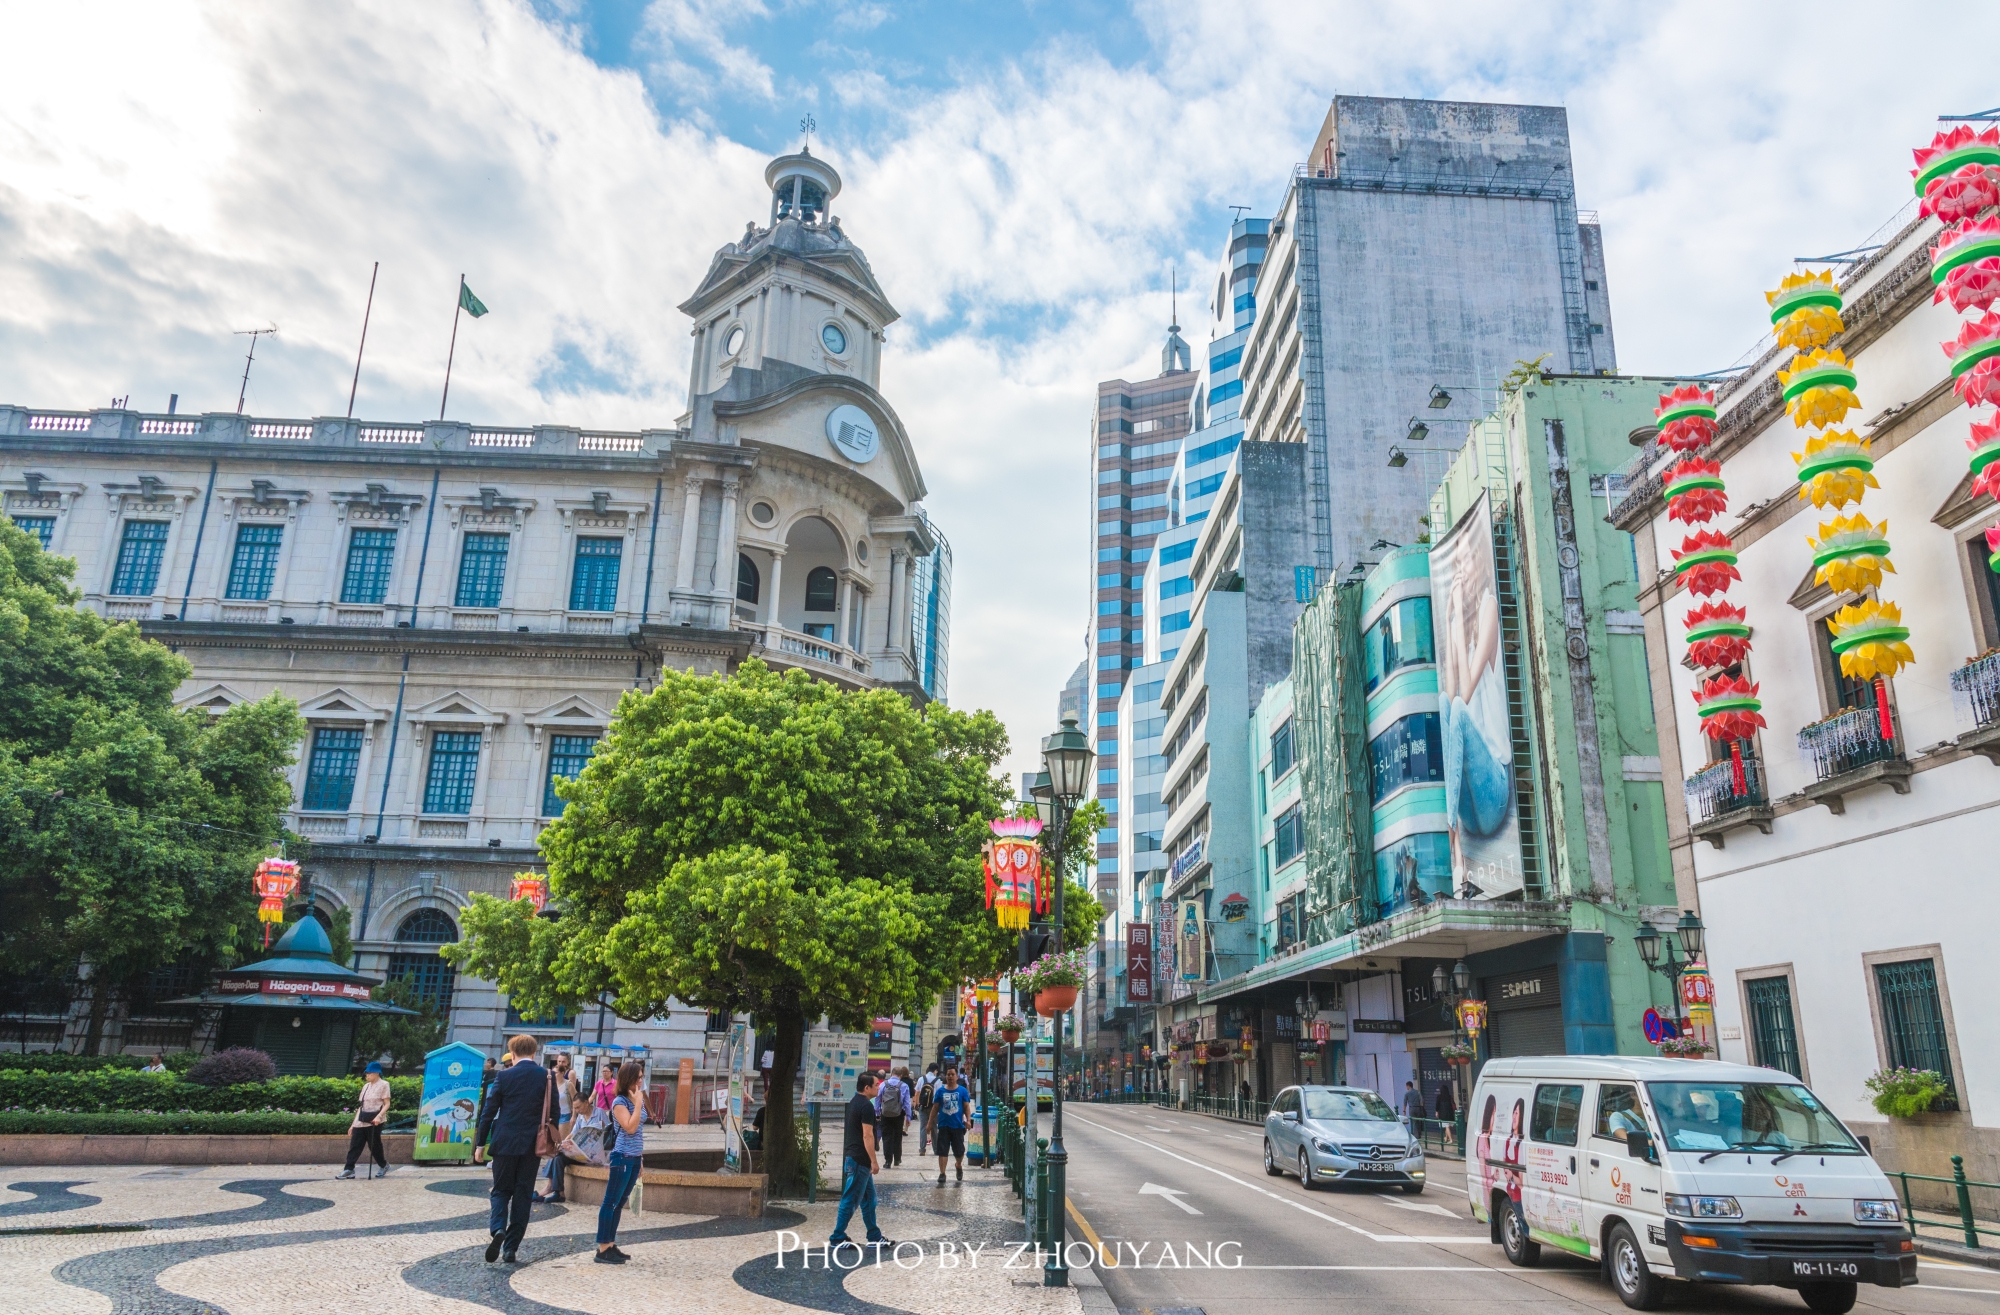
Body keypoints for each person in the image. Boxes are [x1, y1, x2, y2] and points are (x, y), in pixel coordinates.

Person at [473, 1034, 554, 1265]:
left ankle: (498, 1228)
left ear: (513, 1054)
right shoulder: (546, 1077)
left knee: (500, 1190)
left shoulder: (504, 1076)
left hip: (504, 1143)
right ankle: (510, 1248)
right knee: (522, 1195)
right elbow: (554, 1114)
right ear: (534, 1053)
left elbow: (488, 1112)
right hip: (532, 1146)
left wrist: (480, 1144)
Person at [828, 1071, 892, 1252]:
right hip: (859, 1160)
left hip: (854, 1158)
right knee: (850, 1199)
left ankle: (874, 1236)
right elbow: (867, 1135)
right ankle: (837, 1237)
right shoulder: (866, 1106)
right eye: (876, 1085)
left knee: (869, 1199)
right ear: (867, 1088)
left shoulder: (854, 1102)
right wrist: (874, 1161)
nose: (879, 1087)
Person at [593, 1061, 647, 1265]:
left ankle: (610, 1243)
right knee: (611, 1202)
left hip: (633, 1157)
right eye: (638, 1077)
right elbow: (630, 1128)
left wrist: (640, 1158)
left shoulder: (634, 1099)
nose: (641, 1081)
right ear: (629, 1079)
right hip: (621, 1156)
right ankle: (602, 1247)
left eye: (642, 1077)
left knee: (619, 1203)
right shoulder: (620, 1102)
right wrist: (639, 1102)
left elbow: (639, 1132)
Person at [337, 1062, 394, 1179]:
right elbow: (361, 1106)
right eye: (366, 1073)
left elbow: (387, 1103)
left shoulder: (384, 1084)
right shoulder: (366, 1086)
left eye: (369, 1073)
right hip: (362, 1119)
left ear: (377, 1073)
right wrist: (353, 1124)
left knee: (374, 1145)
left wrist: (379, 1116)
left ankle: (383, 1165)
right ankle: (349, 1169)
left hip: (375, 1119)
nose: (367, 1075)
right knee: (355, 1144)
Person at [537, 1055, 580, 1203]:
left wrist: (574, 1117)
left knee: (559, 1149)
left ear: (562, 1072)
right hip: (554, 1118)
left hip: (565, 1117)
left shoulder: (568, 1084)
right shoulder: (550, 1085)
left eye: (556, 1072)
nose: (554, 1075)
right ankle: (551, 1185)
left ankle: (550, 1186)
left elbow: (576, 1101)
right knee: (554, 1150)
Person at [929, 1066, 971, 1186]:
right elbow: (935, 1108)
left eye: (952, 1074)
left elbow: (966, 1106)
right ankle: (942, 1173)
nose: (950, 1076)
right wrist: (929, 1123)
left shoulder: (962, 1091)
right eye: (948, 1074)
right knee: (942, 1151)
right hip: (943, 1125)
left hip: (957, 1126)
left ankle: (958, 1165)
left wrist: (968, 1120)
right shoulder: (940, 1091)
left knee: (959, 1151)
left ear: (957, 1076)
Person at [876, 1067, 911, 1169]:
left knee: (886, 1137)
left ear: (891, 1074)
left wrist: (877, 1112)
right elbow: (907, 1103)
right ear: (900, 1075)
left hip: (885, 1113)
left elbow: (878, 1099)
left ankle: (887, 1161)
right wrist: (908, 1117)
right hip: (898, 1114)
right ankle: (897, 1159)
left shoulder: (883, 1085)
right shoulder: (904, 1086)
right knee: (897, 1136)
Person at [914, 1063, 939, 1155]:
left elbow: (917, 1092)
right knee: (934, 1128)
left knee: (923, 1127)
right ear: (935, 1070)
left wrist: (916, 1104)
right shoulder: (938, 1081)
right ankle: (936, 1149)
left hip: (923, 1106)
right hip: (934, 1107)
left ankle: (922, 1149)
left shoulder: (921, 1079)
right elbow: (939, 1095)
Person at [1435, 1080, 1458, 1147]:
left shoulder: (1439, 1097)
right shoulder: (1449, 1096)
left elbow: (1437, 1105)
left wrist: (1436, 1112)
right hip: (1450, 1113)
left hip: (1443, 1114)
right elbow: (1453, 1104)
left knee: (1446, 1126)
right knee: (1447, 1126)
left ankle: (1451, 1140)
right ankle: (1446, 1138)